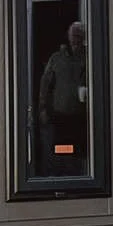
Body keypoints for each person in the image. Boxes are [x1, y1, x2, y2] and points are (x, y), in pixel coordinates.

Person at [36, 19, 90, 177]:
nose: (76, 38)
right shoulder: (57, 58)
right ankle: (63, 180)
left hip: (81, 117)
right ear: (68, 36)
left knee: (80, 154)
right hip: (61, 116)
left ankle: (79, 180)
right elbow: (45, 85)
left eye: (80, 35)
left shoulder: (89, 57)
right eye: (74, 35)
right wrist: (42, 109)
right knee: (62, 150)